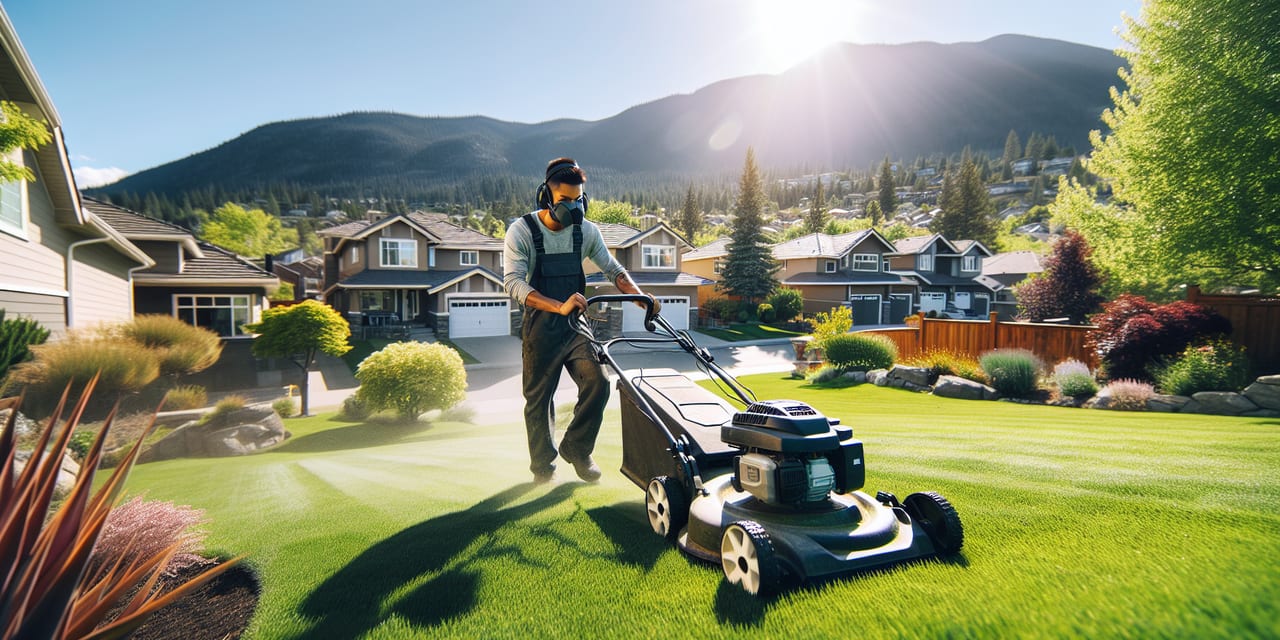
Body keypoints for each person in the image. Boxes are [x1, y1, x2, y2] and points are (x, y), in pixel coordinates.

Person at [503, 157, 655, 483]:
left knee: (598, 382)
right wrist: (557, 306)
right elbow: (513, 284)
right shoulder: (522, 231)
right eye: (564, 202)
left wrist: (642, 299)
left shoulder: (585, 231)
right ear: (546, 197)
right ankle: (543, 469)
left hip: (575, 325)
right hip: (540, 326)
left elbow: (614, 270)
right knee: (539, 401)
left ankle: (577, 448)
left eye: (578, 201)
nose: (573, 209)